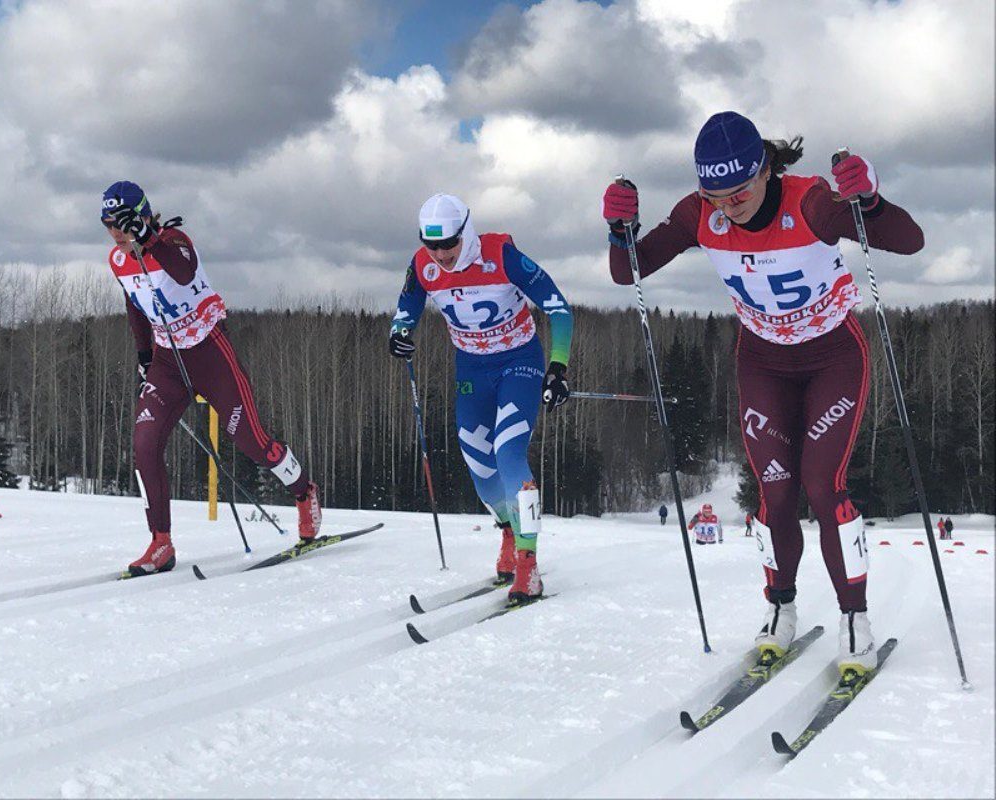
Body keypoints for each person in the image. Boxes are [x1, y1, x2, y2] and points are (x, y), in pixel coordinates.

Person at [603, 111, 924, 677]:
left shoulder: (811, 202)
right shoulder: (699, 214)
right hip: (763, 363)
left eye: (740, 189)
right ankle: (781, 610)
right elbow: (629, 271)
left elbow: (909, 240)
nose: (730, 204)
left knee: (824, 486)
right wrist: (619, 232)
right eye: (715, 194)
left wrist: (869, 202)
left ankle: (855, 618)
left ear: (766, 168)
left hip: (832, 356)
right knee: (775, 495)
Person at [101, 181, 321, 576]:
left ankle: (303, 491)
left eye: (122, 222)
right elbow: (135, 307)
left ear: (143, 215)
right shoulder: (118, 261)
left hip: (208, 351)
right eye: (107, 224)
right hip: (168, 363)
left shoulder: (174, 240)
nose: (116, 232)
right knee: (144, 443)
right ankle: (160, 543)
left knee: (253, 442)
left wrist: (148, 238)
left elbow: (183, 274)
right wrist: (144, 358)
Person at [389, 193, 573, 605]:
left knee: (509, 455)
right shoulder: (422, 265)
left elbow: (559, 309)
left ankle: (528, 563)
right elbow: (407, 305)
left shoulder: (501, 255)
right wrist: (399, 333)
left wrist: (558, 367)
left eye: (448, 244)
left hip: (518, 363)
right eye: (430, 245)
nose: (440, 255)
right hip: (472, 369)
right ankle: (509, 531)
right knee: (480, 468)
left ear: (465, 232)